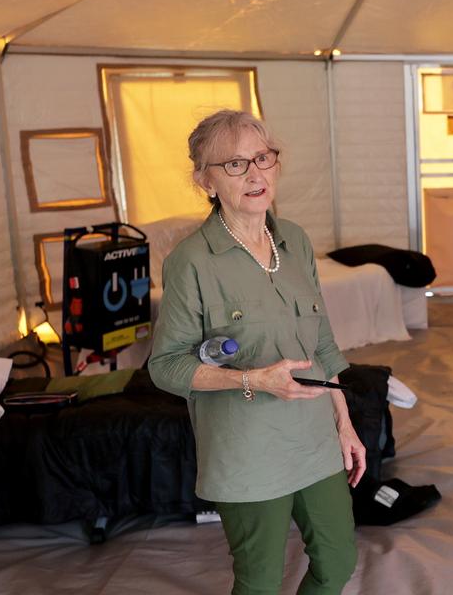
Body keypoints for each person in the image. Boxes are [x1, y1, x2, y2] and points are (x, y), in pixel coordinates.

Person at [150, 109, 365, 595]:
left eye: (262, 158)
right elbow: (166, 366)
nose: (254, 174)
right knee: (261, 582)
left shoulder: (295, 241)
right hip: (245, 452)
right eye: (234, 164)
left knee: (338, 561)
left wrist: (344, 424)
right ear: (205, 181)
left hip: (314, 443)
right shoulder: (191, 263)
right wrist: (252, 380)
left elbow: (323, 345)